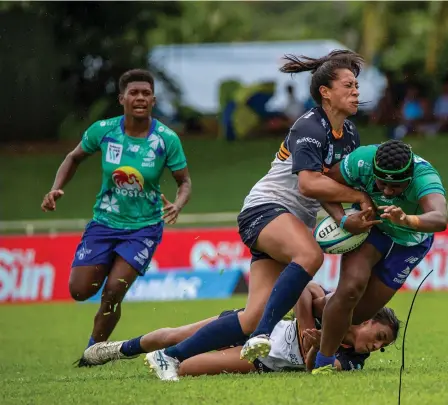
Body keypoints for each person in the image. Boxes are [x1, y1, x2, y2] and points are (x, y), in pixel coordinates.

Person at [142, 50, 378, 376]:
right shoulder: (309, 126)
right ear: (325, 92)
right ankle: (264, 334)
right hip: (264, 209)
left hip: (291, 221)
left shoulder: (349, 134)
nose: (356, 92)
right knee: (310, 256)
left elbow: (329, 184)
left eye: (356, 86)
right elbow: (310, 184)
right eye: (349, 85)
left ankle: (170, 355)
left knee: (249, 317)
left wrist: (343, 218)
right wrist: (359, 196)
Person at [39, 69, 192, 366]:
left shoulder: (166, 139)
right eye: (134, 93)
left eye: (146, 94)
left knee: (113, 291)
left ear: (153, 99)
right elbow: (73, 157)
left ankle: (93, 352)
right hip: (104, 223)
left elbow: (184, 180)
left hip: (143, 229)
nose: (140, 98)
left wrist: (178, 204)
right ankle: (104, 275)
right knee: (81, 290)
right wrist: (56, 188)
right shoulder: (104, 131)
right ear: (122, 98)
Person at [311, 139, 448, 373]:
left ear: (409, 177)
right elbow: (320, 184)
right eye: (381, 183)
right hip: (375, 228)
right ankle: (322, 362)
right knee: (350, 289)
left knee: (360, 313)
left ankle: (310, 311)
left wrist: (407, 220)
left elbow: (440, 218)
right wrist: (342, 218)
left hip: (409, 243)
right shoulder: (361, 161)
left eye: (395, 187)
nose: (386, 191)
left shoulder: (425, 177)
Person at [81, 282, 399, 380]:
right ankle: (117, 349)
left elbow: (312, 367)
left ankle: (163, 360)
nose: (376, 347)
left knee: (187, 368)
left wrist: (313, 350)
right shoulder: (336, 310)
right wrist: (305, 329)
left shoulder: (354, 361)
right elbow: (304, 288)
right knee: (175, 336)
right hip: (256, 325)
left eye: (382, 346)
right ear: (368, 321)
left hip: (260, 360)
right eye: (380, 337)